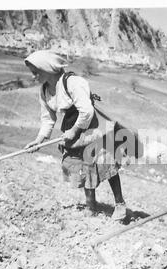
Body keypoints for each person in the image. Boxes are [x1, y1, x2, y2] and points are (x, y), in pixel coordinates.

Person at [24, 50, 130, 221]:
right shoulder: (44, 90)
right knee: (82, 166)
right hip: (71, 129)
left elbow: (87, 112)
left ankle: (120, 204)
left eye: (36, 72)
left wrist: (74, 131)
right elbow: (48, 118)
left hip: (91, 127)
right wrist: (38, 140)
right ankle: (91, 205)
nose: (33, 77)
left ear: (47, 68)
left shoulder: (73, 82)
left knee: (104, 162)